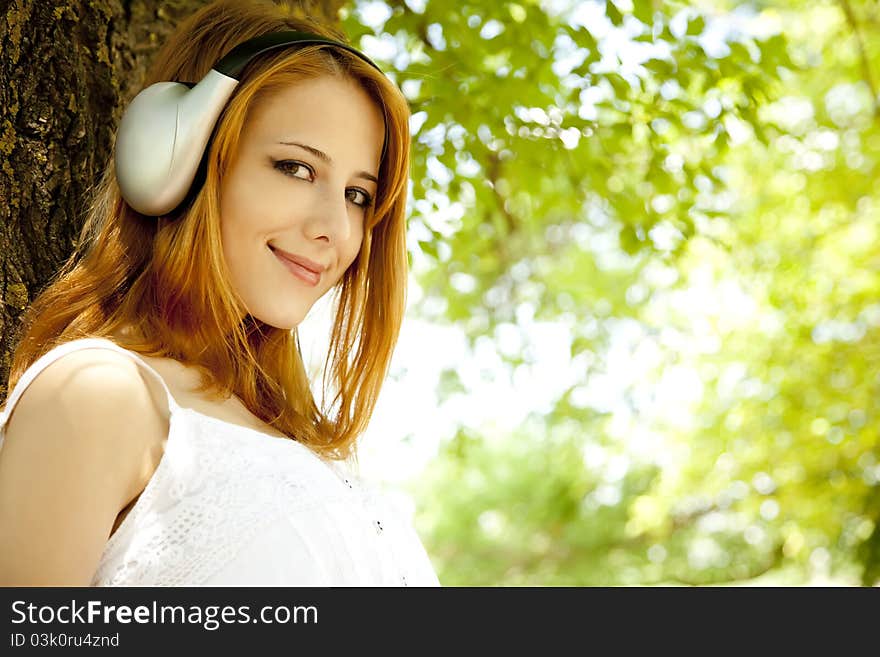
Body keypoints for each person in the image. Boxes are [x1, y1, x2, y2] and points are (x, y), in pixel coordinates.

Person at [0, 0, 439, 586]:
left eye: (359, 195)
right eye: (297, 168)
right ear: (174, 157)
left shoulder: (322, 455)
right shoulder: (99, 397)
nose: (334, 227)